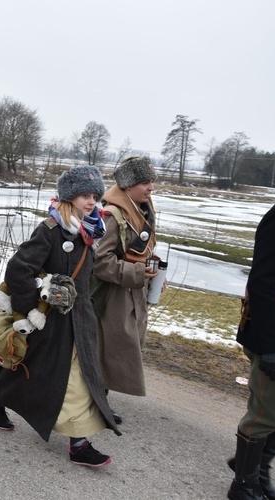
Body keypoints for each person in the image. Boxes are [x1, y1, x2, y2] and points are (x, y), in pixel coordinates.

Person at [0, 165, 120, 468]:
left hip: (79, 320)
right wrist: (30, 310)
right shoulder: (50, 230)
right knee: (36, 372)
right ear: (70, 196)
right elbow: (19, 269)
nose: (91, 201)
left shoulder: (90, 230)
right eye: (85, 195)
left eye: (95, 196)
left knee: (76, 378)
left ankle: (78, 442)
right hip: (50, 321)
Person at [91, 156, 159, 424]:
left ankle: (98, 402)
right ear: (128, 185)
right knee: (106, 351)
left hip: (131, 294)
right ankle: (95, 404)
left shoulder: (142, 209)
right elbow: (100, 262)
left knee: (111, 351)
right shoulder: (113, 215)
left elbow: (141, 251)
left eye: (152, 181)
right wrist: (137, 273)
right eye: (145, 182)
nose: (151, 187)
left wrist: (152, 275)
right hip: (111, 297)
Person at [227, 200, 275, 499]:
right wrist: (272, 347)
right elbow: (262, 284)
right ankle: (244, 485)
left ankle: (254, 466)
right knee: (267, 415)